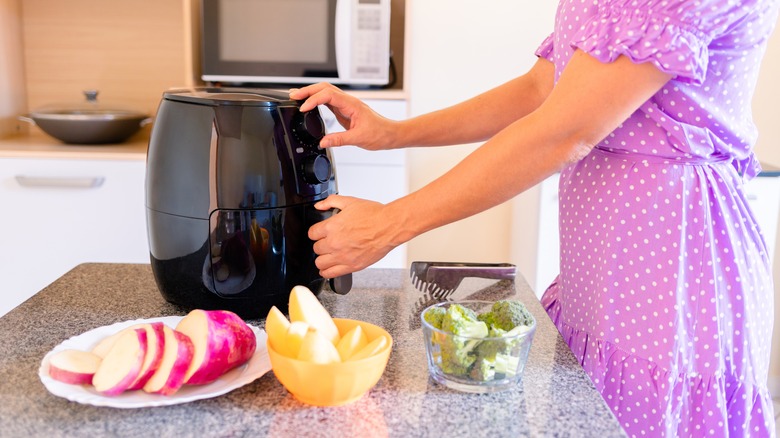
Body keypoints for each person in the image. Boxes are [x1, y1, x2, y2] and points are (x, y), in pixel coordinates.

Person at [290, 0, 780, 435]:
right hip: (604, 265)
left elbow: (566, 130)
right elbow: (542, 90)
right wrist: (394, 133)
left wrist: (392, 223)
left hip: (671, 267)